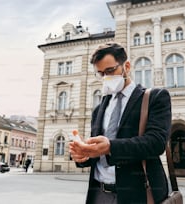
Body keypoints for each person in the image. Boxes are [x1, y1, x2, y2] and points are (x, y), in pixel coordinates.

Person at [69, 42, 172, 204]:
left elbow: (156, 142)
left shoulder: (155, 97)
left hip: (138, 194)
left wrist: (111, 147)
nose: (106, 78)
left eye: (110, 71)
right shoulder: (99, 108)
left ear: (127, 66)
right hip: (99, 193)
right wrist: (83, 154)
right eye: (101, 73)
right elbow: (97, 152)